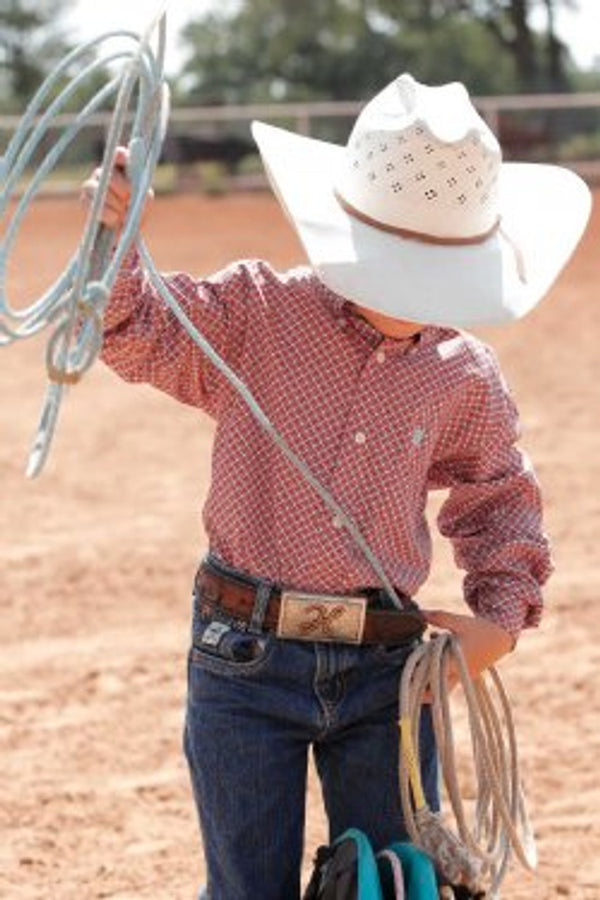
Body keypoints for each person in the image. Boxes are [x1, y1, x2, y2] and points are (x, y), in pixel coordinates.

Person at [83, 74, 590, 900]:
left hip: (387, 668)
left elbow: (498, 497)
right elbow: (142, 332)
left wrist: (501, 616)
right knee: (249, 888)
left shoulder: (463, 375)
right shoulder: (259, 312)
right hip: (244, 654)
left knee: (396, 884)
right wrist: (117, 248)